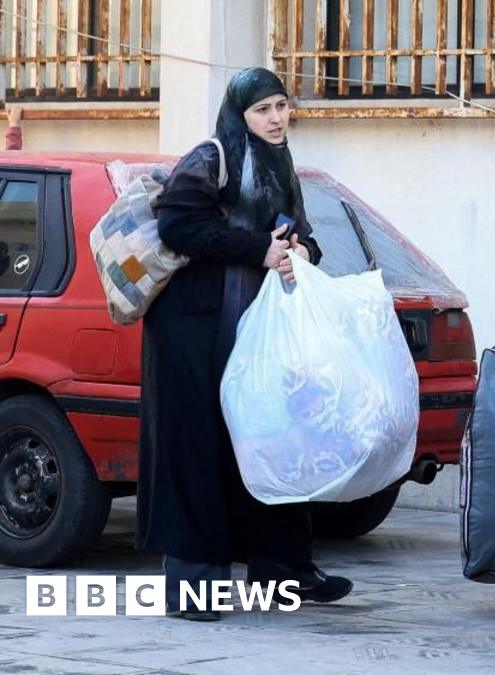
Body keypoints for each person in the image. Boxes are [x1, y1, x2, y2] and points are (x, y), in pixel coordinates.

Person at [136, 67, 351, 621]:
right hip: (194, 329)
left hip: (257, 331)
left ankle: (285, 572)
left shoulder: (281, 164)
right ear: (240, 114)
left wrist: (302, 254)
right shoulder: (210, 158)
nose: (276, 119)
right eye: (263, 110)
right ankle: (192, 587)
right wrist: (258, 249)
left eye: (282, 106)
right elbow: (178, 229)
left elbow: (299, 233)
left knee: (273, 442)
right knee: (198, 450)